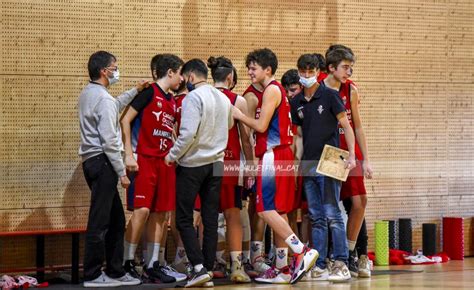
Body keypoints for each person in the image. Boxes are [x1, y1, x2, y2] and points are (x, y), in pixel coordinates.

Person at [232, 48, 318, 284]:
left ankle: (301, 250)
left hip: (273, 155)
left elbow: (260, 127)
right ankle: (283, 270)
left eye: (253, 68)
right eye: (249, 68)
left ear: (267, 70)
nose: (249, 72)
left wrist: (238, 114)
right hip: (282, 155)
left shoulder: (271, 90)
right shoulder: (277, 90)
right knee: (278, 211)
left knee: (264, 210)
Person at [78, 51, 145, 288]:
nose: (117, 71)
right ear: (104, 71)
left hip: (92, 162)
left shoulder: (90, 93)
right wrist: (122, 173)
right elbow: (109, 141)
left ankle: (115, 271)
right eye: (114, 67)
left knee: (116, 220)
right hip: (103, 162)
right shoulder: (103, 99)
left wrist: (135, 91)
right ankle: (94, 275)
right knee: (100, 221)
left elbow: (114, 105)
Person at [164, 58, 233, 288]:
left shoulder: (193, 97)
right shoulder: (223, 97)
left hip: (193, 164)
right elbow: (230, 125)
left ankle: (198, 267)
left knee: (184, 218)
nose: (185, 83)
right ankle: (208, 267)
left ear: (191, 77)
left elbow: (187, 134)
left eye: (185, 79)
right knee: (211, 218)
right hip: (217, 164)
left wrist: (171, 155)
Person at [290, 53, 356, 282]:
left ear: (318, 72)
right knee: (316, 216)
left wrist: (352, 156)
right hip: (308, 163)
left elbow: (347, 127)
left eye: (311, 71)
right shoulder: (295, 101)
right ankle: (319, 264)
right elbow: (298, 136)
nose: (307, 75)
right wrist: (296, 165)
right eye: (303, 72)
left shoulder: (330, 96)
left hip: (331, 160)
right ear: (299, 72)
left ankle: (341, 263)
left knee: (333, 214)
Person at [120, 54, 185, 284]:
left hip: (164, 161)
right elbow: (125, 119)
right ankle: (126, 262)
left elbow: (172, 131)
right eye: (179, 73)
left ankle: (152, 264)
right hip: (144, 158)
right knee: (142, 211)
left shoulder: (172, 99)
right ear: (170, 72)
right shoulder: (148, 93)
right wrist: (128, 154)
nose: (181, 77)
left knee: (161, 213)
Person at [323, 45, 373, 278]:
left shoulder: (350, 90)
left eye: (351, 68)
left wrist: (367, 158)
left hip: (350, 151)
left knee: (360, 201)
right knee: (330, 207)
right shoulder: (318, 87)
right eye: (345, 67)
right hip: (330, 153)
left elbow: (358, 126)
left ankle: (350, 252)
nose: (349, 72)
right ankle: (332, 256)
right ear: (331, 68)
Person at [208, 56, 254, 283]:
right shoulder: (237, 100)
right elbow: (246, 139)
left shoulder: (200, 96)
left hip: (205, 162)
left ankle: (210, 263)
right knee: (232, 214)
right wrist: (251, 166)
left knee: (208, 216)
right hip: (231, 162)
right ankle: (237, 265)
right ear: (230, 78)